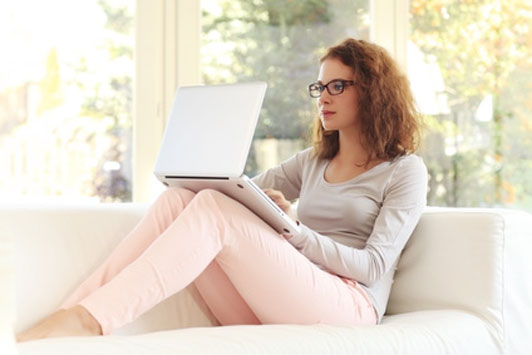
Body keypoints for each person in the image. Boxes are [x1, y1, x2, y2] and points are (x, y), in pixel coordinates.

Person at [17, 38, 427, 342]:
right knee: (184, 198)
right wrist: (221, 183)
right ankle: (75, 313)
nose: (323, 97)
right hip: (283, 303)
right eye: (319, 87)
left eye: (338, 86)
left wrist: (294, 232)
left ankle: (92, 321)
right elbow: (244, 198)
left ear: (373, 92)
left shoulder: (404, 171)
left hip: (350, 307)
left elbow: (373, 265)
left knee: (211, 207)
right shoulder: (312, 161)